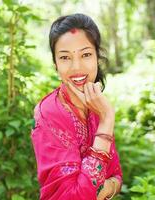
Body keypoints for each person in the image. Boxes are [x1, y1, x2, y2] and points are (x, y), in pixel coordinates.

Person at [30, 13, 123, 200]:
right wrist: (106, 121)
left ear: (97, 57)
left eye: (86, 54)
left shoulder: (96, 103)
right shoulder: (49, 113)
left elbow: (116, 175)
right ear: (55, 64)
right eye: (65, 58)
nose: (76, 67)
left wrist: (108, 187)